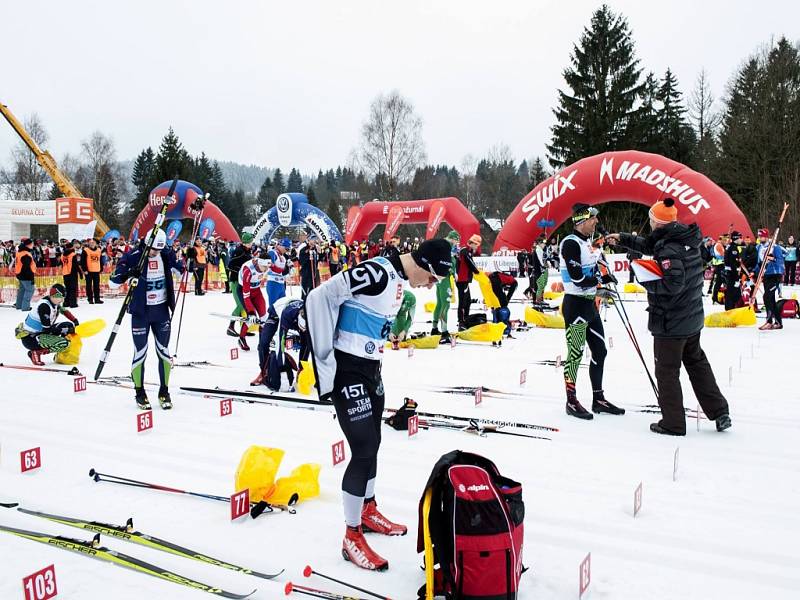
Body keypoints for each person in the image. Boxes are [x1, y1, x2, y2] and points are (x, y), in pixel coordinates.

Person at [306, 239, 453, 571]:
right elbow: (320, 296)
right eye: (432, 279)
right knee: (363, 449)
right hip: (348, 372)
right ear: (423, 264)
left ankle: (367, 509)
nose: (431, 286)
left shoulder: (399, 279)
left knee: (374, 444)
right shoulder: (377, 272)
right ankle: (351, 535)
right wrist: (324, 360)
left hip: (372, 371)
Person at [607, 198, 731, 435]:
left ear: (657, 222)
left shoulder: (668, 247)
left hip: (671, 322)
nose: (650, 224)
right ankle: (719, 411)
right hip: (691, 318)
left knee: (666, 371)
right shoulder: (681, 238)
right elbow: (652, 245)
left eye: (651, 220)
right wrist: (623, 239)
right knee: (697, 364)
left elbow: (673, 284)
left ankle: (673, 422)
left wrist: (646, 280)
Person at [559, 204, 624, 420]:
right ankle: (571, 401)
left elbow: (593, 271)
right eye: (593, 219)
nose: (596, 222)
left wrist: (604, 276)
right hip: (575, 305)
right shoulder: (570, 243)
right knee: (575, 354)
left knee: (600, 351)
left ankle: (598, 399)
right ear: (581, 221)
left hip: (590, 306)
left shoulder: (588, 243)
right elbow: (577, 277)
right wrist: (599, 281)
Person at [110, 229, 185, 410]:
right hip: (140, 313)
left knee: (164, 352)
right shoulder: (133, 256)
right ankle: (140, 392)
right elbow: (112, 283)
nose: (155, 253)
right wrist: (128, 274)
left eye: (158, 250)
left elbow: (182, 274)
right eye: (153, 250)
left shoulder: (166, 254)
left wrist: (187, 261)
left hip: (161, 311)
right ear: (146, 244)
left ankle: (164, 391)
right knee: (140, 352)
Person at [252, 296, 310, 389]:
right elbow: (280, 342)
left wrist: (302, 368)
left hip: (295, 311)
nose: (303, 330)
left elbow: (309, 345)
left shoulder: (314, 314)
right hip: (276, 314)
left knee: (307, 341)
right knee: (264, 341)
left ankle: (301, 370)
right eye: (302, 327)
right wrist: (281, 369)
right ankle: (264, 372)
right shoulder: (287, 315)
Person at [16, 283, 79, 365]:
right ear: (54, 296)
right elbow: (47, 329)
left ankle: (60, 352)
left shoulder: (53, 302)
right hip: (31, 339)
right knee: (64, 343)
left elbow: (63, 311)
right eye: (61, 298)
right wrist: (66, 330)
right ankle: (36, 352)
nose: (62, 300)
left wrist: (74, 320)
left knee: (68, 325)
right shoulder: (44, 307)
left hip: (40, 332)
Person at [237, 252, 271, 351]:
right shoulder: (248, 270)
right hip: (244, 291)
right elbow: (246, 295)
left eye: (267, 267)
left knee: (264, 317)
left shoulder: (265, 265)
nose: (266, 270)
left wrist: (286, 271)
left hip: (256, 291)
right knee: (251, 317)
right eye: (264, 267)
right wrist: (251, 312)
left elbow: (277, 269)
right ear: (259, 263)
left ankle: (262, 343)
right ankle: (242, 338)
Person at [431, 231, 460, 344]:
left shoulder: (444, 245)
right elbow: (446, 262)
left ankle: (434, 328)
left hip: (440, 279)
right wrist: (453, 272)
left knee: (439, 304)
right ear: (452, 238)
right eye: (456, 240)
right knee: (445, 305)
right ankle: (444, 332)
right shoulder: (447, 246)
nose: (456, 243)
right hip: (444, 279)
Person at [755, 227, 785, 330]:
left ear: (766, 237)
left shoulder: (774, 247)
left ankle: (769, 321)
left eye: (762, 236)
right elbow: (759, 262)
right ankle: (778, 322)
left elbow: (780, 260)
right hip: (766, 275)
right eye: (759, 236)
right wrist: (754, 272)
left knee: (767, 297)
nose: (760, 238)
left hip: (775, 275)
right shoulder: (759, 247)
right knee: (770, 299)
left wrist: (772, 258)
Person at [226, 232, 254, 337]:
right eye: (250, 241)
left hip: (243, 282)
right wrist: (241, 272)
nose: (252, 243)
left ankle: (244, 328)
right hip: (235, 281)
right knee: (240, 305)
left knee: (246, 304)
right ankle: (230, 327)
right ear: (246, 242)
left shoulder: (247, 251)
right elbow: (230, 265)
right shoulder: (239, 251)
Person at [455, 234, 481, 329]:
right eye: (476, 245)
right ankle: (461, 321)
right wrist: (477, 271)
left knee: (468, 300)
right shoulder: (465, 251)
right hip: (462, 280)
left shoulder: (467, 251)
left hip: (464, 279)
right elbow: (470, 263)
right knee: (463, 301)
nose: (477, 247)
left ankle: (465, 318)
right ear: (472, 243)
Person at [265, 238, 292, 305]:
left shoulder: (283, 256)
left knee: (282, 306)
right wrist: (283, 271)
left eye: (288, 249)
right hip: (273, 282)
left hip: (281, 283)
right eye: (286, 248)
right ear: (280, 245)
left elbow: (284, 271)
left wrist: (289, 267)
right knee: (273, 306)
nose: (286, 251)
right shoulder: (272, 253)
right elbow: (272, 267)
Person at [723, 231, 744, 309]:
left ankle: (731, 309)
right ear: (736, 238)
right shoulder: (733, 248)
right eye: (740, 238)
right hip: (732, 274)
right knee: (733, 294)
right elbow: (732, 264)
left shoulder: (730, 246)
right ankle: (731, 310)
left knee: (731, 293)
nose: (741, 240)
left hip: (730, 273)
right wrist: (736, 278)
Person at [14, 238, 36, 311]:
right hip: (26, 276)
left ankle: (19, 305)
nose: (33, 245)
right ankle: (25, 307)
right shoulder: (26, 254)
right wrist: (31, 278)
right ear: (28, 245)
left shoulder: (20, 252)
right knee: (30, 290)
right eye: (32, 244)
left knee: (22, 290)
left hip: (19, 274)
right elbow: (27, 268)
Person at [61, 241, 82, 308]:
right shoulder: (73, 254)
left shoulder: (62, 255)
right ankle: (73, 303)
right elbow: (75, 265)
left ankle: (66, 303)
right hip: (72, 273)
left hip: (65, 273)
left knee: (67, 289)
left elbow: (62, 264)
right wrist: (80, 273)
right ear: (71, 247)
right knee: (73, 289)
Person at [82, 238, 103, 304]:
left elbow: (101, 260)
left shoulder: (99, 250)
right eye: (91, 243)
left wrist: (101, 268)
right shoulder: (86, 250)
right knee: (89, 286)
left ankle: (97, 299)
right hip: (88, 271)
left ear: (95, 243)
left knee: (96, 286)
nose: (92, 244)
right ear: (88, 244)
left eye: (93, 242)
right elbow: (83, 261)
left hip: (96, 270)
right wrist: (85, 270)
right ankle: (90, 299)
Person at [709, 235, 726, 303]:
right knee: (719, 282)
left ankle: (715, 298)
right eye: (724, 240)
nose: (725, 241)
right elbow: (723, 255)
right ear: (721, 239)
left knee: (719, 282)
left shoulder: (718, 245)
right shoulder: (719, 245)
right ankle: (715, 298)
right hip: (720, 265)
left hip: (719, 265)